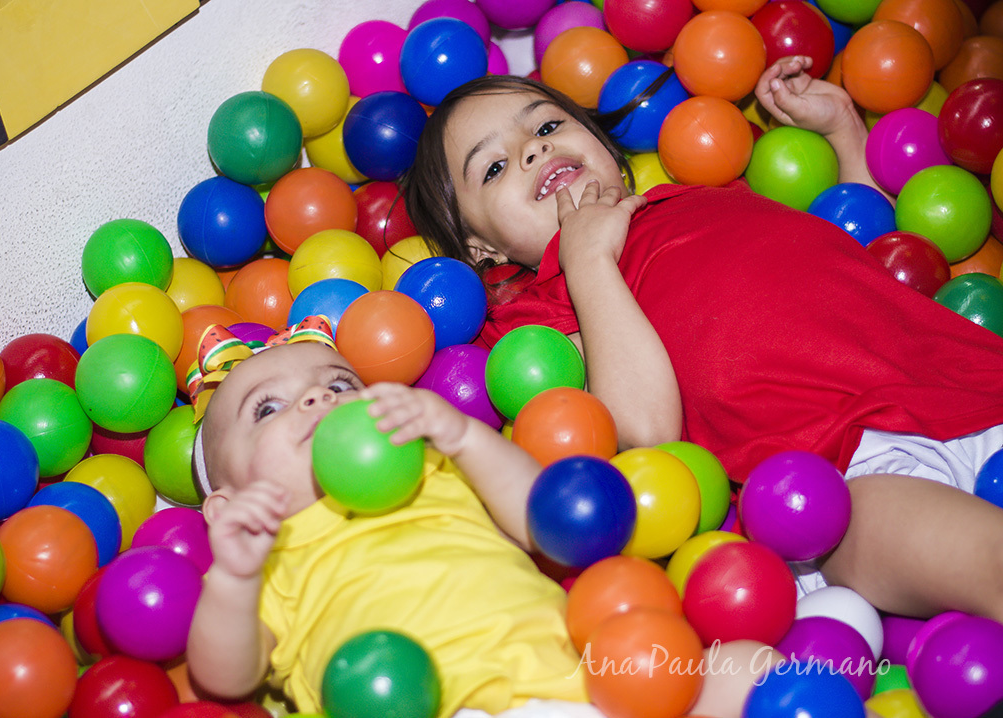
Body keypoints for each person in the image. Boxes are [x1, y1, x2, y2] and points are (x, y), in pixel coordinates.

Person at [401, 56, 1003, 622]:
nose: (533, 148)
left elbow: (861, 248)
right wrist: (587, 260)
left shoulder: (708, 193)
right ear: (483, 249)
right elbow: (643, 431)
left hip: (964, 381)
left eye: (548, 125)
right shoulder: (543, 313)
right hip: (837, 476)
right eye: (495, 168)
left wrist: (844, 133)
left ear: (603, 144)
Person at [184, 324, 597, 717]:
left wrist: (465, 438)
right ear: (226, 508)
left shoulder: (432, 467)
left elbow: (543, 522)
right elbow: (225, 678)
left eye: (339, 386)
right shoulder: (262, 564)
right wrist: (234, 578)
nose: (317, 396)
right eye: (267, 409)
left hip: (565, 685)